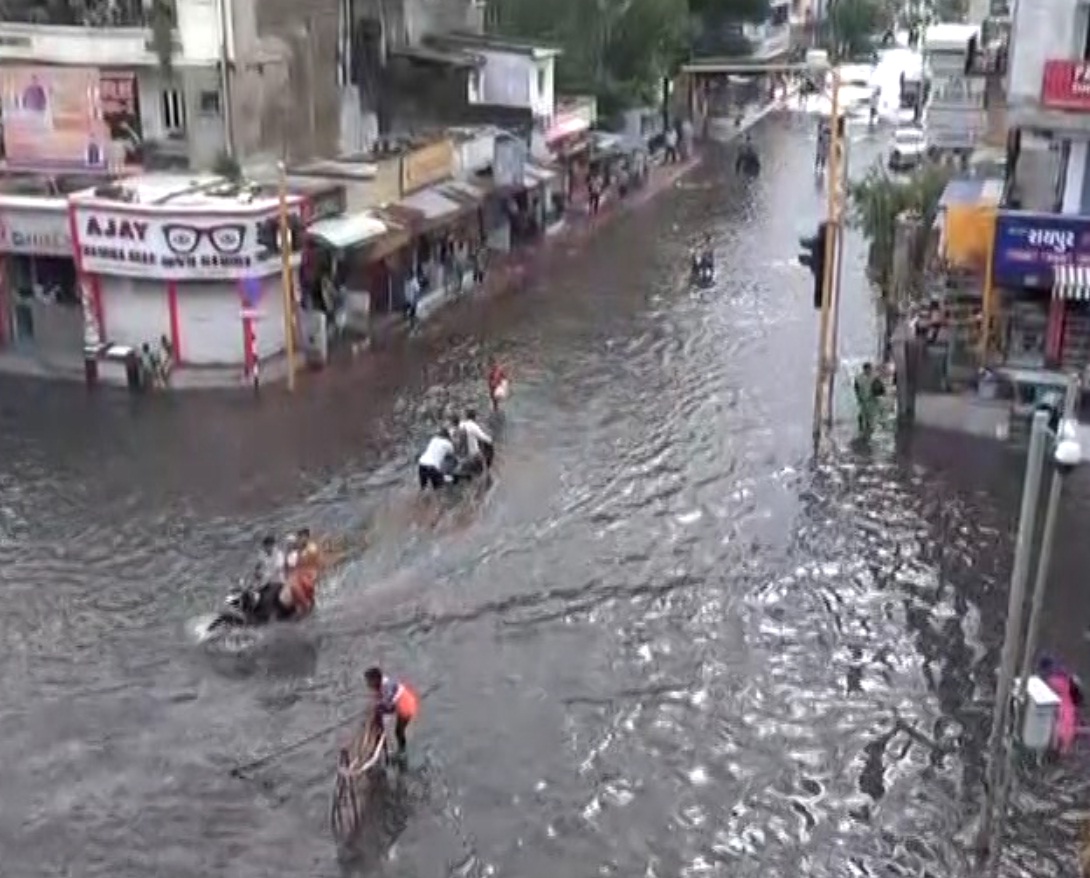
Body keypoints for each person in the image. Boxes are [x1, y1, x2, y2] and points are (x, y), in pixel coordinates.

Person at [364, 666, 419, 762]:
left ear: (376, 679)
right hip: (402, 703)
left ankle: (402, 751)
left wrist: (378, 707)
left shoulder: (387, 686)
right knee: (380, 714)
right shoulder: (383, 684)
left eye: (369, 681)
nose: (368, 684)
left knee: (398, 731)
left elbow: (387, 703)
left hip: (406, 707)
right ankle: (386, 745)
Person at [282, 527, 322, 617]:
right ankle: (302, 608)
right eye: (299, 537)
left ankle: (308, 608)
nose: (300, 539)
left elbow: (316, 563)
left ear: (307, 537)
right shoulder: (298, 550)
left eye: (302, 536)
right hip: (300, 575)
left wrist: (316, 575)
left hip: (309, 574)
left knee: (305, 590)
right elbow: (291, 566)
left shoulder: (311, 549)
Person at [854, 362, 880, 439]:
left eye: (870, 369)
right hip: (863, 401)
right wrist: (858, 397)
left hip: (872, 401)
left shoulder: (875, 377)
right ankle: (863, 432)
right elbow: (856, 388)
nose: (869, 371)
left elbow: (879, 390)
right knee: (862, 416)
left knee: (871, 419)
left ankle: (868, 433)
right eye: (867, 369)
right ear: (864, 369)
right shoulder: (859, 378)